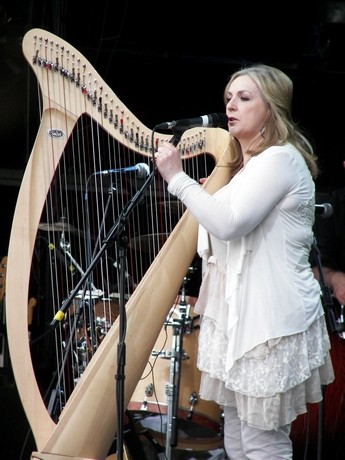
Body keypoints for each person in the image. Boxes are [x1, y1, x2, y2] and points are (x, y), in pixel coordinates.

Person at [155, 63, 335, 460]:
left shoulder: (281, 160)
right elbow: (220, 230)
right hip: (242, 322)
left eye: (244, 97)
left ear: (271, 108)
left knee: (261, 445)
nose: (231, 105)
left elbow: (231, 225)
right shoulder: (246, 169)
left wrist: (177, 179)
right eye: (228, 98)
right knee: (236, 440)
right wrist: (209, 196)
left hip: (269, 323)